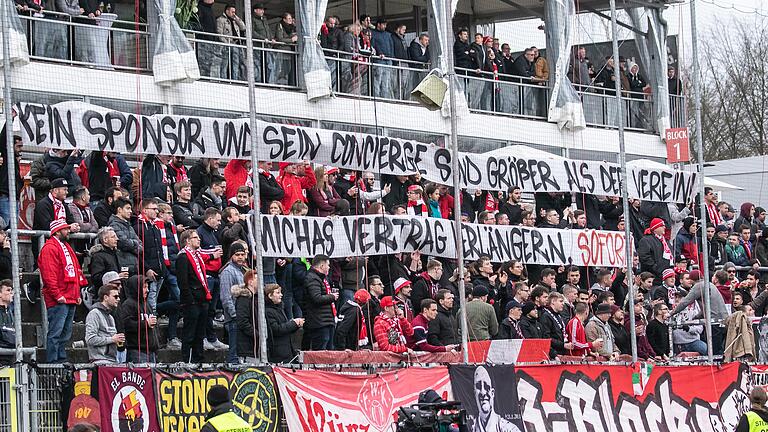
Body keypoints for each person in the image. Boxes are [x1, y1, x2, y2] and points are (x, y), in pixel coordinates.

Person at [40, 219, 88, 363]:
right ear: (58, 231)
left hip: (70, 297)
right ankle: (53, 363)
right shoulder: (49, 248)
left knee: (65, 334)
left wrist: (77, 293)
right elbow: (49, 275)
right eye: (66, 229)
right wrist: (57, 295)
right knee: (56, 332)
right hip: (59, 298)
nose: (69, 231)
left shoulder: (65, 246)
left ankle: (60, 360)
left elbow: (74, 272)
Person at [177, 229, 213, 363]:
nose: (199, 239)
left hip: (202, 299)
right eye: (195, 237)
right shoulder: (183, 257)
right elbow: (183, 282)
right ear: (187, 241)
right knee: (189, 333)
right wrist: (190, 301)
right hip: (192, 301)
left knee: (200, 334)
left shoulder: (198, 256)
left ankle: (199, 360)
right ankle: (186, 360)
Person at [116, 275, 158, 363]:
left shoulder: (147, 305)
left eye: (147, 287)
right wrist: (146, 324)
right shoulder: (128, 304)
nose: (148, 290)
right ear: (136, 288)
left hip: (151, 351)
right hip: (137, 351)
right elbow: (126, 325)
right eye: (144, 287)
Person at [219, 242, 248, 363]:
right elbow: (226, 298)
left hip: (242, 318)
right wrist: (235, 315)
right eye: (237, 254)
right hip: (233, 319)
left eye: (242, 254)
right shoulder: (228, 272)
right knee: (234, 353)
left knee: (241, 351)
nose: (240, 257)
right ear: (231, 256)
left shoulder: (244, 271)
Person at [471, 366, 522, 432]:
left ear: (492, 393)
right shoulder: (472, 428)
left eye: (486, 387)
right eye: (478, 386)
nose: (483, 392)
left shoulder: (509, 429)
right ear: (474, 393)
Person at [304, 255, 338, 350]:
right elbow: (316, 298)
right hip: (319, 322)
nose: (329, 267)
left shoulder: (322, 278)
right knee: (321, 350)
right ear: (322, 266)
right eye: (328, 265)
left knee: (329, 349)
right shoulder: (312, 278)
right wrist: (332, 297)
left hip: (326, 320)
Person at [264, 283, 303, 363]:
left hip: (286, 350)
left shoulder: (279, 309)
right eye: (278, 293)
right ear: (270, 296)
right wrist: (293, 323)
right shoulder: (268, 311)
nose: (281, 295)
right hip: (278, 352)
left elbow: (284, 328)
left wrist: (296, 325)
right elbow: (277, 330)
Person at [85, 285, 123, 364]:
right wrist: (112, 339)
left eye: (118, 296)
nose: (118, 299)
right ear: (106, 297)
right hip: (99, 361)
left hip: (112, 361)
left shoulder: (110, 317)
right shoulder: (94, 313)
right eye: (115, 296)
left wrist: (116, 340)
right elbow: (90, 339)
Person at [539, 292, 574, 357]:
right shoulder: (545, 316)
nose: (563, 304)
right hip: (553, 354)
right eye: (560, 301)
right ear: (553, 301)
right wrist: (562, 345)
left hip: (562, 352)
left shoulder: (559, 315)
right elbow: (547, 338)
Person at [234, 270, 258, 362]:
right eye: (258, 279)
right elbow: (242, 322)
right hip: (247, 347)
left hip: (254, 346)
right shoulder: (244, 299)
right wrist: (257, 335)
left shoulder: (255, 298)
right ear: (250, 282)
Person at [0, 280, 14, 364]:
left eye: (12, 290)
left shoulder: (10, 313)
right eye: (8, 290)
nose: (11, 293)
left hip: (9, 356)